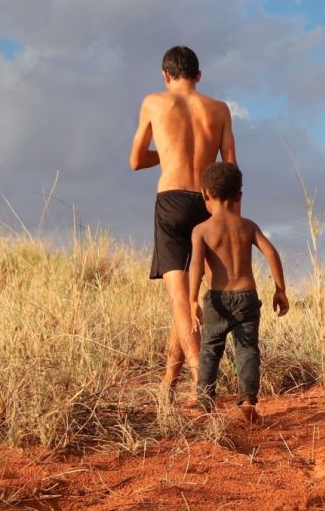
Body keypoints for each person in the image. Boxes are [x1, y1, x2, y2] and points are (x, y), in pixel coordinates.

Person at [129, 46, 236, 402]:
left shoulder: (154, 102)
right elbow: (230, 169)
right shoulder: (219, 110)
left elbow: (135, 160)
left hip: (172, 200)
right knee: (190, 299)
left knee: (179, 298)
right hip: (208, 203)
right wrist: (231, 220)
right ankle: (168, 383)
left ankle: (199, 383)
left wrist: (170, 152)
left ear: (165, 75)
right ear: (199, 76)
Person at [185, 163, 289, 423]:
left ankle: (205, 403)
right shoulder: (248, 226)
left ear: (205, 194)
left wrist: (191, 300)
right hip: (247, 297)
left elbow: (196, 264)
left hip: (217, 299)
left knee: (210, 350)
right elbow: (271, 252)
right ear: (239, 196)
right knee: (247, 349)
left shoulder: (202, 230)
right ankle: (247, 401)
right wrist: (280, 289)